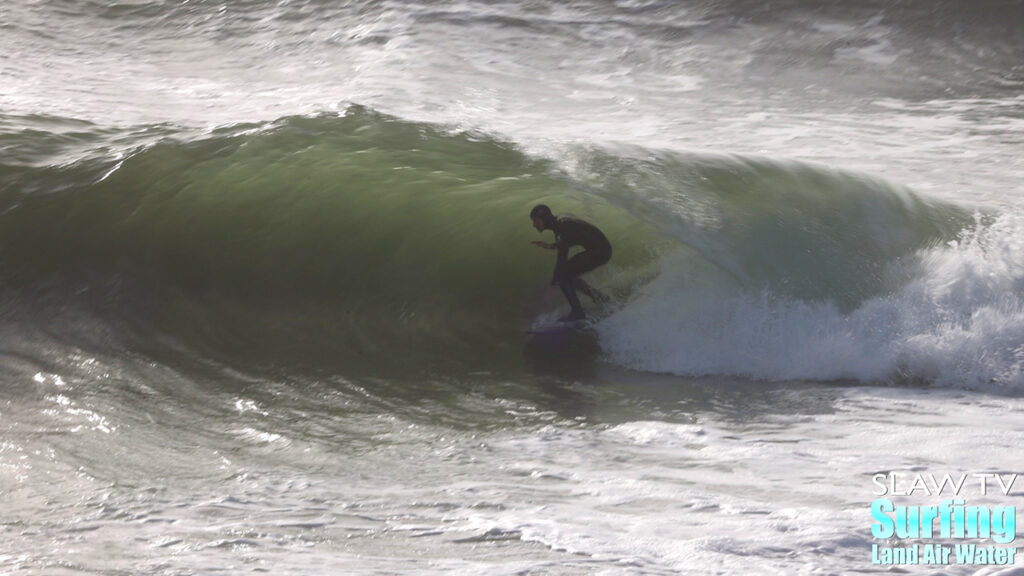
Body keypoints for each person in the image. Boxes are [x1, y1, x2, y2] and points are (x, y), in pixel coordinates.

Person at [530, 204, 611, 321]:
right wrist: (551, 246)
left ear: (544, 219)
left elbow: (562, 257)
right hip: (601, 249)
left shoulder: (561, 227)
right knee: (568, 274)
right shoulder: (561, 221)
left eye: (535, 221)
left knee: (562, 275)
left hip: (600, 252)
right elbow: (569, 239)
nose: (534, 225)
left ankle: (578, 312)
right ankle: (599, 298)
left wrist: (554, 281)